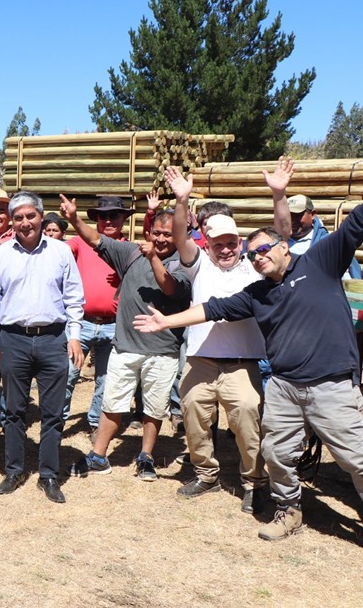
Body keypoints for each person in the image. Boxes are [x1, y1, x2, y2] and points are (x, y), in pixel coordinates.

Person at [134, 197, 363, 541]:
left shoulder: (320, 261)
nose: (259, 257)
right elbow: (212, 309)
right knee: (275, 453)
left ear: (284, 248)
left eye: (265, 249)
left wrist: (279, 194)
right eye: (254, 254)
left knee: (354, 457)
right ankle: (288, 511)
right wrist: (167, 321)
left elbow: (354, 225)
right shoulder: (256, 293)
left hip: (329, 382)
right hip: (285, 385)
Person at [61, 196, 191, 482]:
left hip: (163, 350)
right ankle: (98, 455)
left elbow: (169, 288)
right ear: (149, 232)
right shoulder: (130, 253)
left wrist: (154, 257)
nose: (160, 238)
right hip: (126, 346)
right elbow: (96, 240)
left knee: (155, 407)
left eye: (168, 234)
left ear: (179, 235)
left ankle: (146, 456)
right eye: (156, 232)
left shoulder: (185, 263)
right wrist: (74, 220)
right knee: (112, 402)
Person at [163, 166, 270, 513]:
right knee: (193, 415)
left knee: (248, 421)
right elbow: (180, 237)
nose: (225, 250)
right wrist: (182, 200)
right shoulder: (199, 265)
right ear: (206, 245)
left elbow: (280, 238)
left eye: (230, 243)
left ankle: (254, 482)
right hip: (201, 360)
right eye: (218, 244)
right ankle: (206, 474)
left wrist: (279, 196)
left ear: (239, 242)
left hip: (242, 364)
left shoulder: (254, 267)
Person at [0, 191, 84, 502]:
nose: (25, 223)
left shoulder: (61, 252)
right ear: (13, 221)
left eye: (31, 216)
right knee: (13, 411)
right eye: (19, 217)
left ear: (41, 217)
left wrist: (74, 335)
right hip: (13, 339)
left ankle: (49, 475)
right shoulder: (0, 256)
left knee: (52, 412)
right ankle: (14, 470)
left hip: (54, 339)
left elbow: (74, 298)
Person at [62, 196, 133, 440]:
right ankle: (57, 422)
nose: (109, 220)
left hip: (114, 325)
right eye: (103, 215)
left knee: (106, 378)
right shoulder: (80, 243)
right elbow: (55, 253)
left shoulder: (130, 250)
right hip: (80, 323)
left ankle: (95, 423)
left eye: (114, 215)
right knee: (68, 374)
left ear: (124, 218)